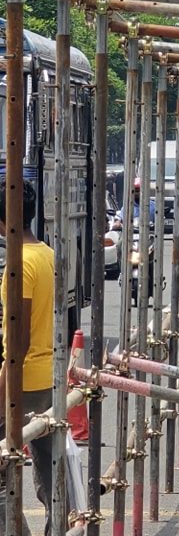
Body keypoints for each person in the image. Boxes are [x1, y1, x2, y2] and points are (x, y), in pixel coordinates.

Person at [0, 179, 55, 536]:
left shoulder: (19, 265)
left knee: (4, 470)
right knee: (50, 472)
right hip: (48, 376)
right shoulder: (47, 254)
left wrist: (2, 391)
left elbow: (17, 343)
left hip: (24, 382)